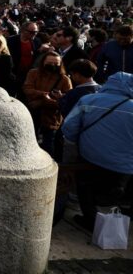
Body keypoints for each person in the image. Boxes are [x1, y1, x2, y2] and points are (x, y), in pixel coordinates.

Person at [62, 72, 133, 231]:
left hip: (91, 157)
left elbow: (69, 127)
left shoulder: (89, 100)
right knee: (116, 192)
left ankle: (90, 221)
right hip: (125, 165)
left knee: (85, 188)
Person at [23, 51, 72, 159]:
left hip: (52, 117)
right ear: (43, 62)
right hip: (34, 113)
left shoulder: (64, 79)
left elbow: (66, 101)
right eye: (49, 62)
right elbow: (27, 89)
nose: (52, 65)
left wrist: (43, 100)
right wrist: (45, 95)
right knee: (29, 141)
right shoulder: (34, 73)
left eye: (56, 63)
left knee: (48, 145)